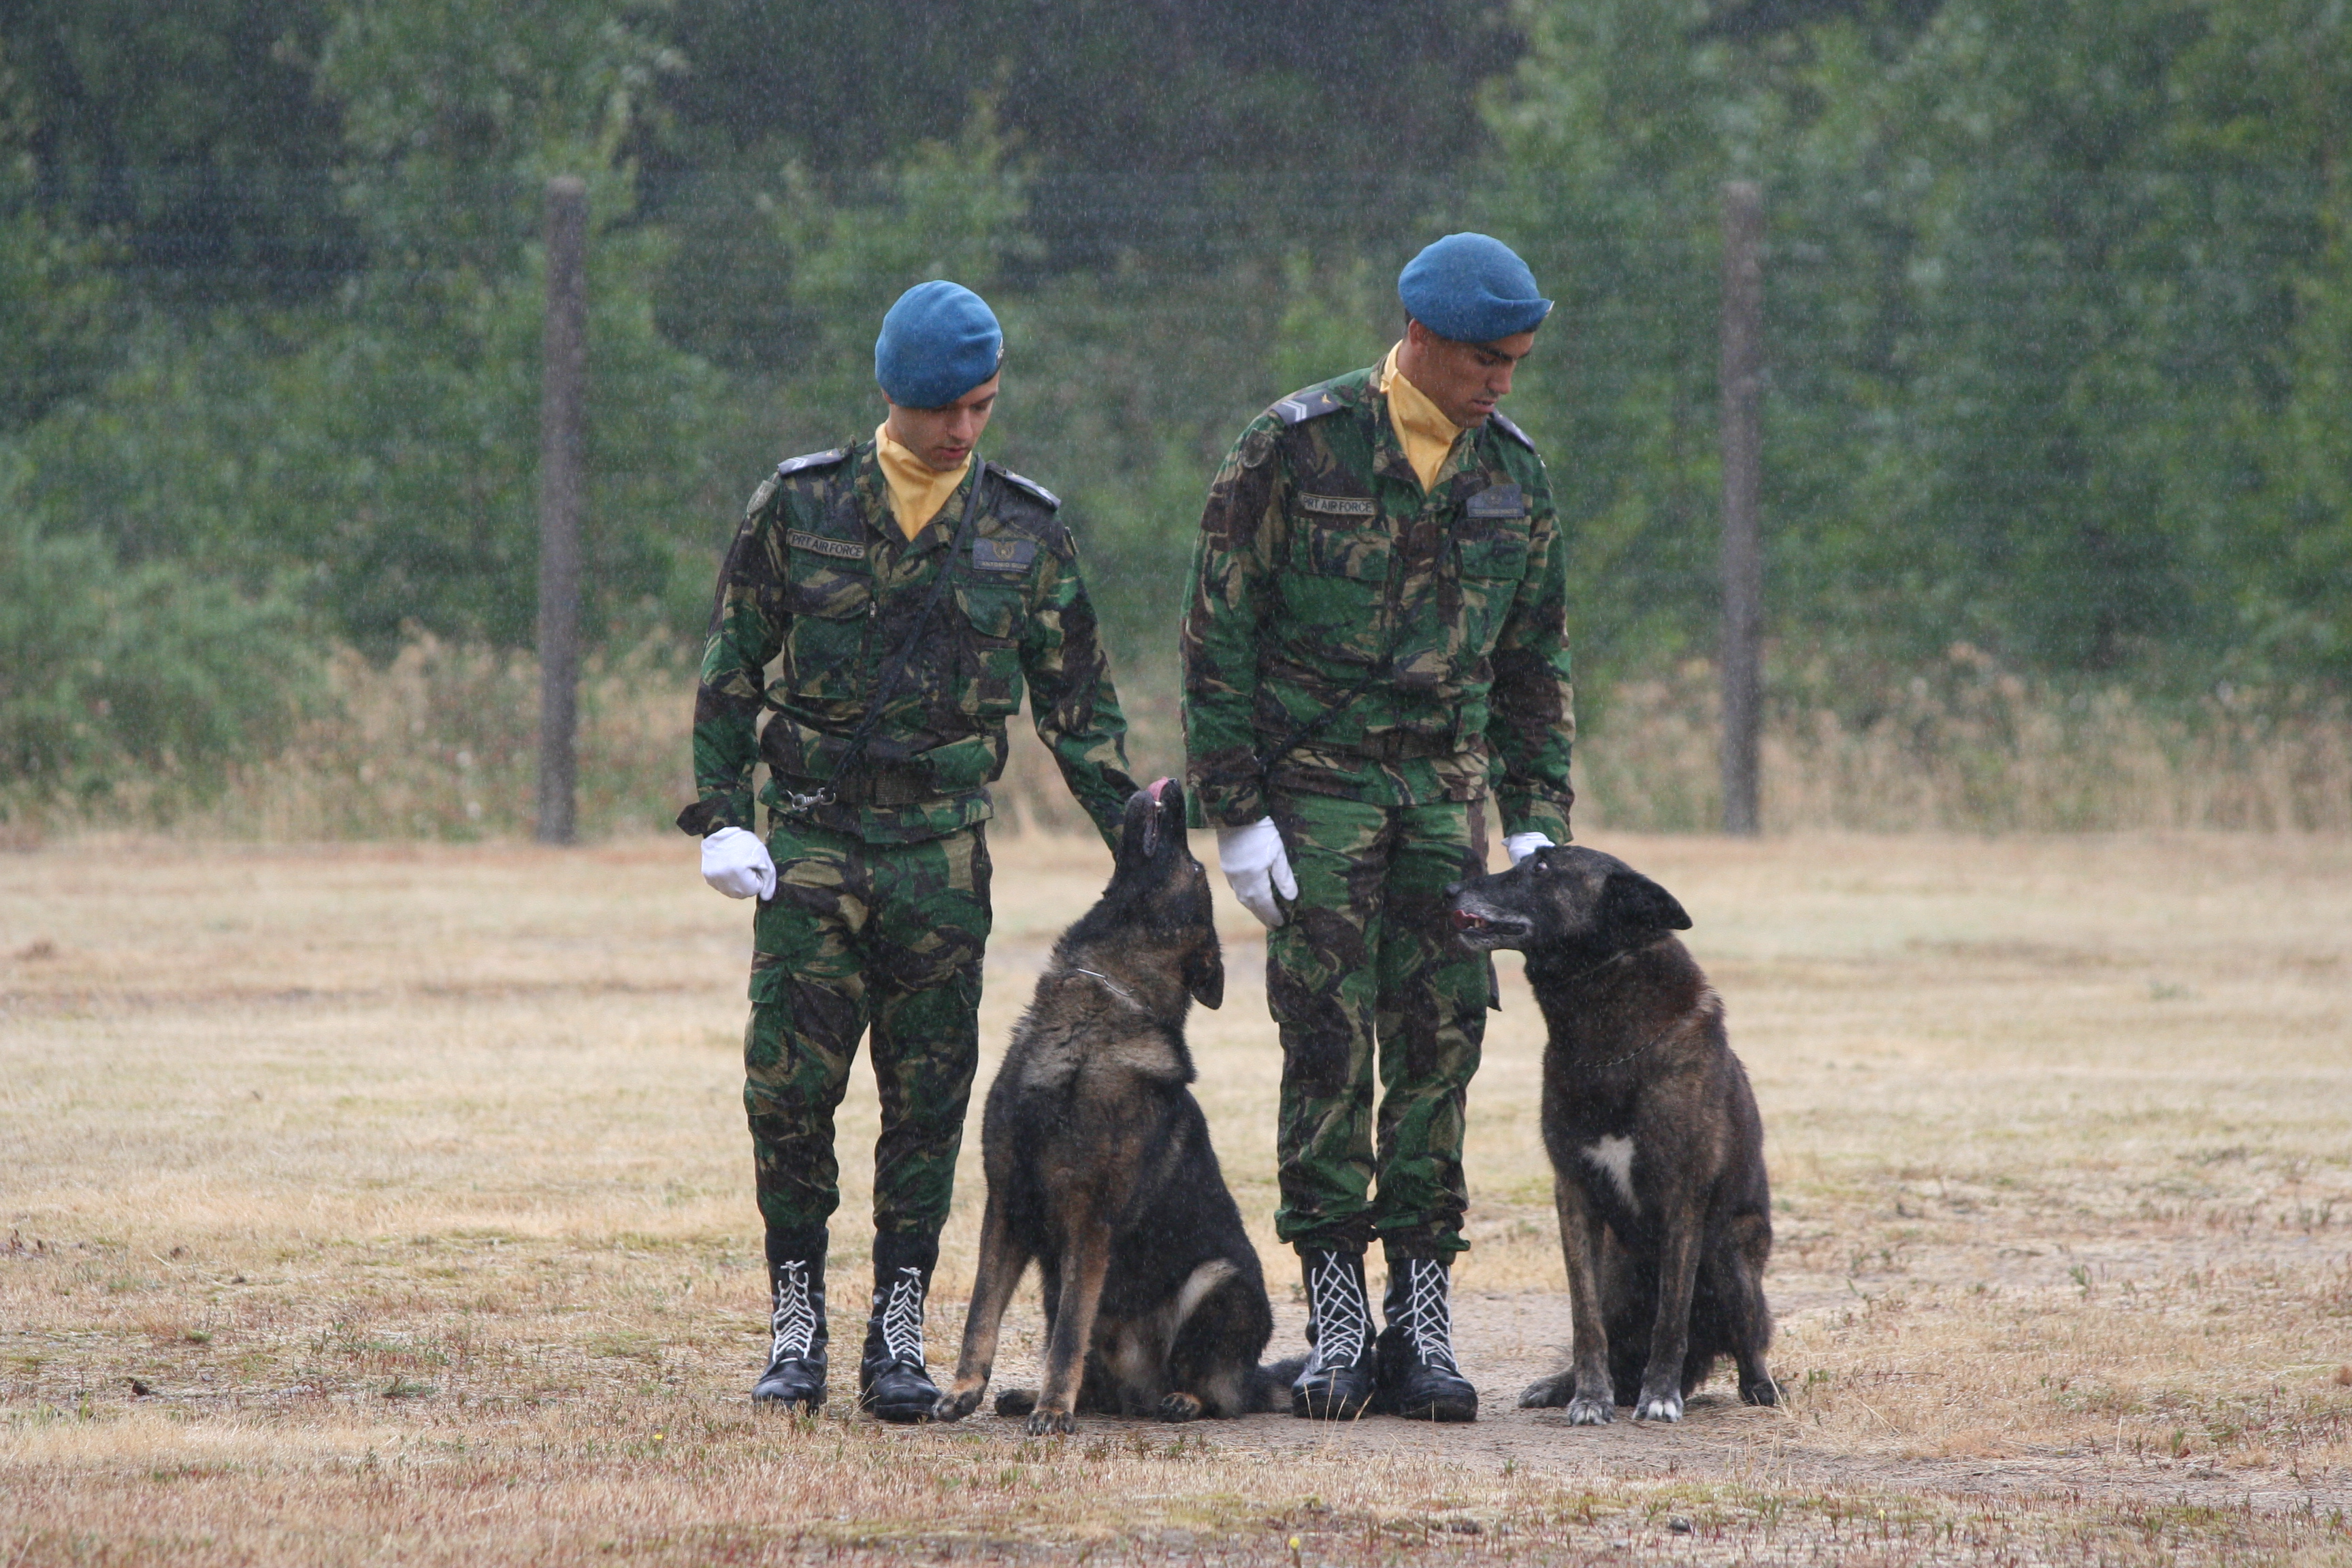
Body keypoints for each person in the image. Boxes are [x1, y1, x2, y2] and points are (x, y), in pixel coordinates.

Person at [680, 280, 1138, 1420]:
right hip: (817, 846)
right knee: (789, 1093)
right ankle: (797, 1323)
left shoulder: (1024, 532)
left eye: (982, 407)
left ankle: (898, 1330)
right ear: (893, 395)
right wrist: (722, 812)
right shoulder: (801, 508)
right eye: (944, 410)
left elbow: (1079, 714)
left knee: (927, 1102)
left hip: (940, 855)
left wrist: (1144, 845)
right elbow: (731, 669)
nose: (963, 431)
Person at [1180, 233, 1575, 1423]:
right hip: (1321, 796)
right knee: (1326, 1051)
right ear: (1418, 335)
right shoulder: (1294, 448)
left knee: (1442, 1047)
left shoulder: (1513, 473)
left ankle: (1424, 1312)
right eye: (1483, 358)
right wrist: (1238, 815)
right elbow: (1218, 643)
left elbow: (1534, 662)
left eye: (1517, 360)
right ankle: (1337, 1311)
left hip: (1444, 809)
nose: (1502, 379)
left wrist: (1540, 824)